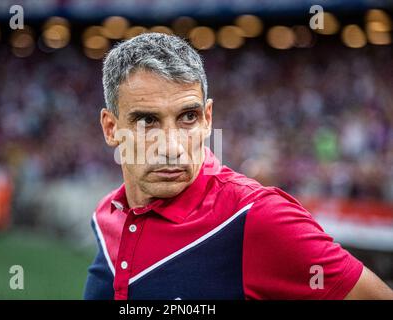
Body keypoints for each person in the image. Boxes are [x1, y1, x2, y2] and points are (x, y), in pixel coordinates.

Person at [83, 33, 393, 300]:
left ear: (208, 118)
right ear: (111, 128)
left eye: (188, 117)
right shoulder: (108, 214)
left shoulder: (257, 217)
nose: (172, 147)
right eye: (147, 120)